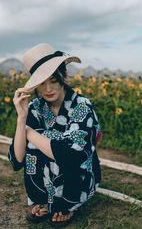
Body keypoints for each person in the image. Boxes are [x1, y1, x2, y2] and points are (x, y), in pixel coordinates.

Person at [8, 43, 102, 227]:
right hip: (48, 177)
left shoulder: (81, 106)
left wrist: (30, 133)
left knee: (47, 143)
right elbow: (18, 159)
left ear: (63, 77)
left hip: (78, 174)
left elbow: (71, 155)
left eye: (53, 80)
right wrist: (22, 119)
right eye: (42, 83)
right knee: (38, 142)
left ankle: (69, 203)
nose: (48, 89)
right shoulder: (35, 108)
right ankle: (44, 199)